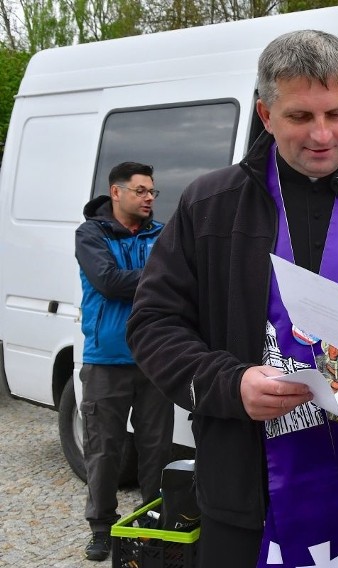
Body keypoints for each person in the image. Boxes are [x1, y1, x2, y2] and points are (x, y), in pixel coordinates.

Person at [126, 30, 338, 568]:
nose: (321, 135)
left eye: (336, 113)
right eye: (299, 117)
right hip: (245, 492)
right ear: (265, 114)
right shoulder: (211, 205)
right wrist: (229, 383)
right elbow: (153, 323)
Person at [75, 162, 174, 562]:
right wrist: (157, 275)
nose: (149, 198)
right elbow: (108, 281)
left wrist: (154, 276)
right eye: (141, 191)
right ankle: (100, 528)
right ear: (117, 193)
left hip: (155, 358)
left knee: (156, 449)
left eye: (153, 191)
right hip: (106, 361)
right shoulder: (90, 234)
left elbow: (183, 280)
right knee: (104, 450)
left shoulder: (162, 234)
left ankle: (151, 521)